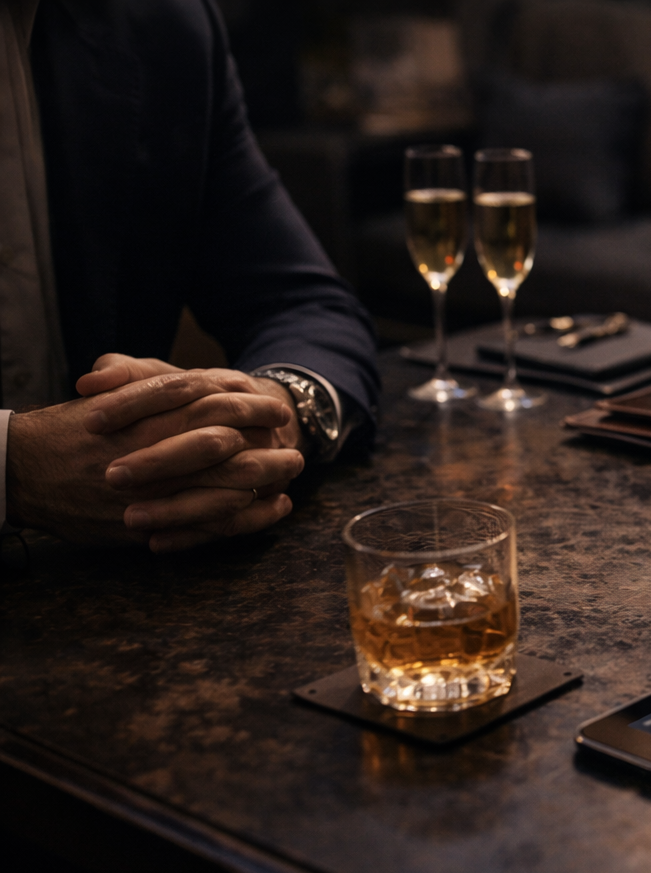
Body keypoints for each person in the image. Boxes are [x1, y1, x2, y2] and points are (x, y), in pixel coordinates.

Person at [1, 0, 379, 555]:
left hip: (126, 573)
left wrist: (271, 411)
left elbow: (303, 306)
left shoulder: (164, 23)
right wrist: (13, 467)